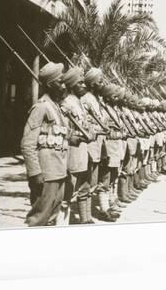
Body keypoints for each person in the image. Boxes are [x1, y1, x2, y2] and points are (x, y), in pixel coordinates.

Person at [21, 62, 80, 226]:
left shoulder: (56, 107)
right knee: (39, 217)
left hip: (59, 170)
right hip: (46, 172)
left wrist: (72, 138)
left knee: (53, 216)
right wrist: (35, 172)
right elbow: (27, 143)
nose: (63, 85)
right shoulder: (41, 108)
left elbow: (57, 132)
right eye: (60, 82)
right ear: (49, 84)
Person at [80, 67, 117, 222]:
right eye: (100, 81)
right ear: (93, 84)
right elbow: (83, 124)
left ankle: (101, 210)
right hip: (90, 148)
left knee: (98, 181)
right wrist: (102, 129)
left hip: (100, 147)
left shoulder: (97, 100)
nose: (103, 84)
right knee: (87, 183)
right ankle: (84, 217)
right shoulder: (86, 100)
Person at [60, 66, 95, 224]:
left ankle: (84, 219)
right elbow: (62, 130)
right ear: (72, 84)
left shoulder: (79, 102)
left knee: (85, 188)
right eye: (80, 83)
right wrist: (76, 137)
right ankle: (62, 223)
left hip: (83, 153)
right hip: (72, 153)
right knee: (67, 193)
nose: (84, 85)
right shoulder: (66, 104)